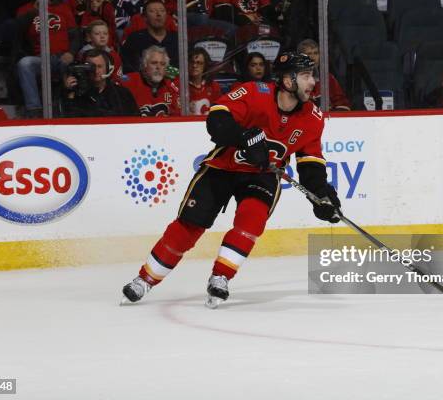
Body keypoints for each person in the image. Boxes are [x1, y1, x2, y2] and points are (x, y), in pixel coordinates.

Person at [121, 52, 342, 307]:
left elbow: (311, 164)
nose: (313, 81)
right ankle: (145, 279)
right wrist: (244, 137)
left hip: (262, 176)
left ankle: (221, 277)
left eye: (312, 75)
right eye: (305, 75)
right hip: (221, 167)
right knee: (189, 226)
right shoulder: (254, 93)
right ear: (288, 80)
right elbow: (217, 118)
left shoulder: (313, 119)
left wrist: (323, 195)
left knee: (252, 220)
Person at [15, 0, 79, 118]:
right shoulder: (25, 10)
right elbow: (17, 33)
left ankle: (69, 108)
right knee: (24, 64)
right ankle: (34, 110)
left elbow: (74, 35)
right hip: (40, 58)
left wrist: (71, 52)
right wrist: (34, 11)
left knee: (69, 67)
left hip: (63, 56)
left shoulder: (63, 8)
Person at [60, 49, 140, 117]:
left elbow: (136, 120)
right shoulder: (76, 93)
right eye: (91, 67)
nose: (95, 71)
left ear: (108, 68)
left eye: (99, 66)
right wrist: (69, 93)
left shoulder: (122, 94)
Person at [121, 0, 179, 73]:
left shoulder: (177, 39)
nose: (158, 14)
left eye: (162, 11)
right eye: (152, 11)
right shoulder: (135, 39)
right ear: (145, 18)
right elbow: (128, 68)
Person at [121, 45, 181, 116]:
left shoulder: (171, 87)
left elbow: (178, 117)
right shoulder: (128, 82)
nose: (158, 67)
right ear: (144, 65)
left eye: (162, 64)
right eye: (154, 63)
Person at [297, 39, 351, 111]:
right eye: (309, 54)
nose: (313, 57)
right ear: (300, 57)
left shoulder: (327, 78)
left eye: (316, 53)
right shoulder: (293, 79)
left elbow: (342, 104)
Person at [188, 47, 222, 115]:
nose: (194, 65)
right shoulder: (180, 85)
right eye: (192, 62)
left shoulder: (214, 86)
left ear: (205, 66)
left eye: (199, 63)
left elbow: (219, 111)